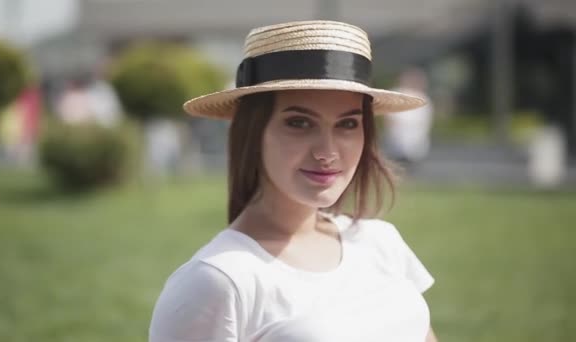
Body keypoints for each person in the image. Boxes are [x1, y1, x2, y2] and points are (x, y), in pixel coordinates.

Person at [149, 20, 437, 342]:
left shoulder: (381, 243)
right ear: (252, 131)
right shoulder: (220, 280)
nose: (327, 152)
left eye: (347, 124)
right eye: (299, 123)